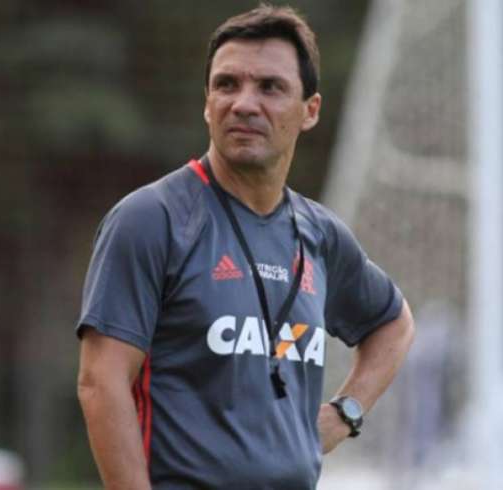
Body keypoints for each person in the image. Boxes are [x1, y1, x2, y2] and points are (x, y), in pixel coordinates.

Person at [76, 5, 415, 489]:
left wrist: (345, 413)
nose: (244, 103)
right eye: (227, 84)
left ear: (310, 110)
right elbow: (100, 384)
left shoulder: (320, 235)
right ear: (207, 103)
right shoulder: (152, 219)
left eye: (270, 87)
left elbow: (394, 325)